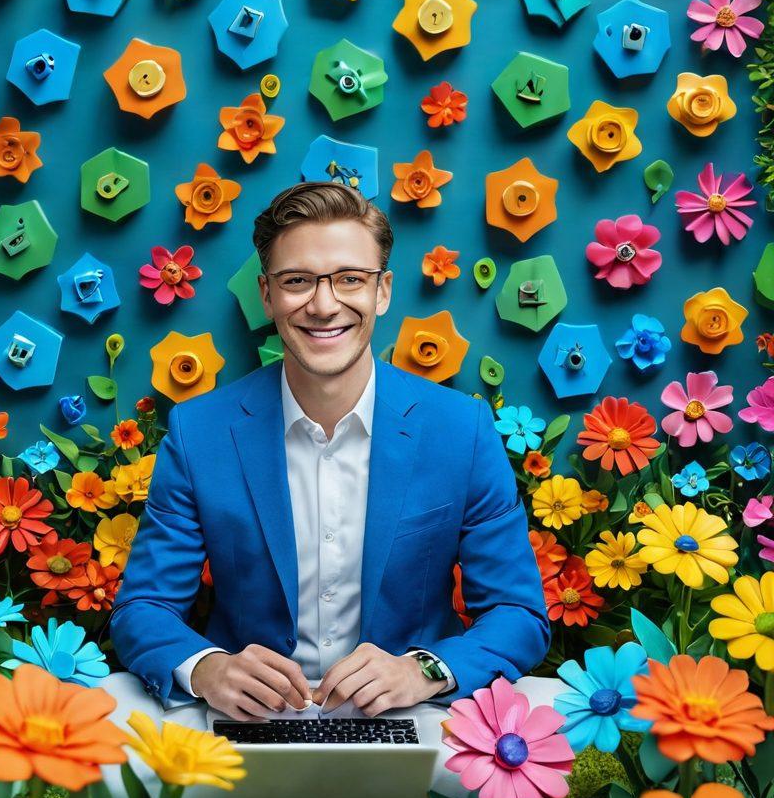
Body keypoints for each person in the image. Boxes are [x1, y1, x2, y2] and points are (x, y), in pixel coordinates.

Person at [106, 182, 551, 730]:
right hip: (247, 723)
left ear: (382, 291)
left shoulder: (462, 430)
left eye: (350, 279)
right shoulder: (199, 432)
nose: (323, 305)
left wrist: (425, 670)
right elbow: (144, 608)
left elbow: (517, 613)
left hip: (412, 717)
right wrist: (205, 668)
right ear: (267, 294)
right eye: (297, 281)